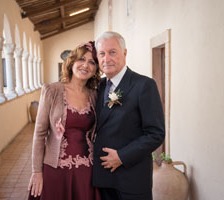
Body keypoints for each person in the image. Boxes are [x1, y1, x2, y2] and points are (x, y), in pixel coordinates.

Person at [92, 31, 165, 200]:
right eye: (102, 53)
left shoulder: (144, 85)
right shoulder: (100, 86)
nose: (106, 58)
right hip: (104, 179)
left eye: (112, 52)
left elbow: (156, 134)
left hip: (132, 178)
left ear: (124, 53)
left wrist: (121, 157)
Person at [28, 41, 101, 200]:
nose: (85, 65)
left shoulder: (95, 95)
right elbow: (39, 134)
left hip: (86, 169)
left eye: (91, 62)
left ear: (96, 69)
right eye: (81, 59)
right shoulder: (52, 90)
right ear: (72, 62)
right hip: (55, 169)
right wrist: (36, 171)